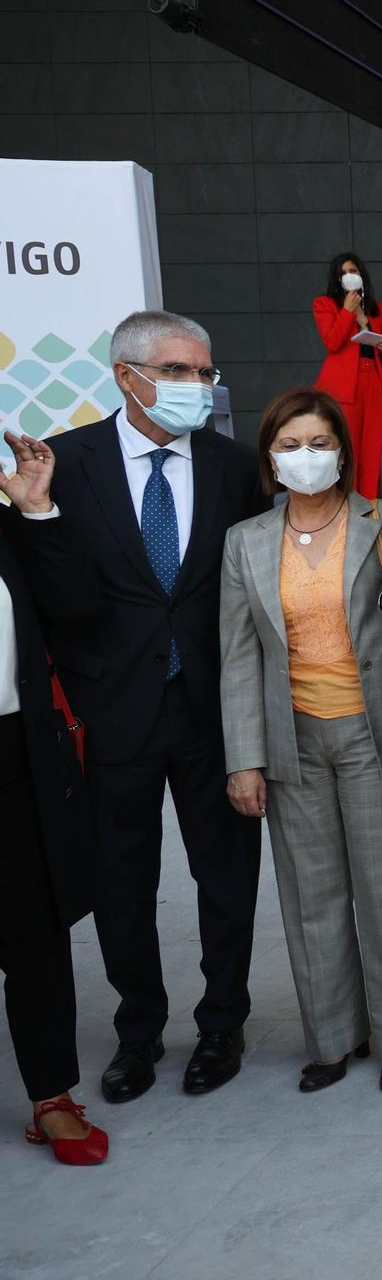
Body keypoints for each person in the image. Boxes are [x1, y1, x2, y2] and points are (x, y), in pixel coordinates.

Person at [0, 311, 266, 1103]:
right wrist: (38, 513)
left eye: (204, 372)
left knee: (227, 873)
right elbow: (50, 599)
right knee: (121, 878)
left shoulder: (234, 466)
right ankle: (138, 1028)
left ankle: (222, 1023)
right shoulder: (64, 465)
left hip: (213, 706)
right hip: (109, 709)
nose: (197, 386)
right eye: (179, 371)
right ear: (128, 375)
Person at [219, 389, 382, 1095]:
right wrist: (245, 759)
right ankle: (333, 1038)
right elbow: (239, 655)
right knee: (311, 896)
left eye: (317, 443)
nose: (303, 457)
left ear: (342, 450)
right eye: (288, 445)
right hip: (291, 740)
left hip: (377, 734)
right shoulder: (246, 540)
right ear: (269, 458)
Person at [0, 430, 109, 1165]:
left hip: (13, 750)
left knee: (33, 929)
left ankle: (51, 1093)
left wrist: (37, 511)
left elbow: (77, 609)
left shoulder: (13, 521)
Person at [312, 253, 382, 499]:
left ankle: (367, 507)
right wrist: (347, 312)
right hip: (344, 386)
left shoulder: (378, 309)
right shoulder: (325, 304)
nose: (350, 276)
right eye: (344, 272)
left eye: (354, 271)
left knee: (371, 452)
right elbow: (333, 342)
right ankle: (344, 504)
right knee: (346, 450)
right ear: (337, 278)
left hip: (374, 384)